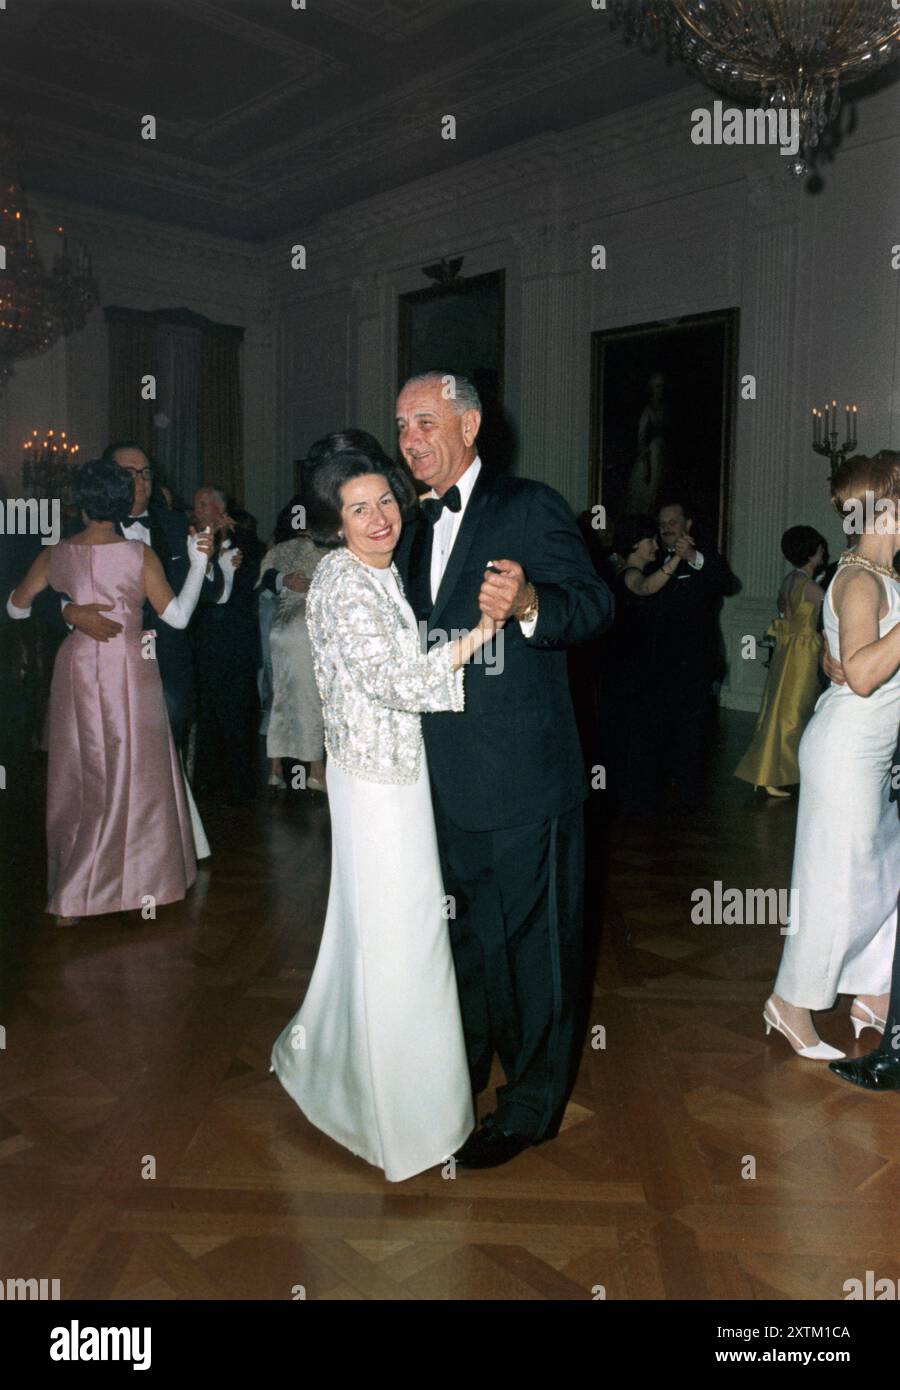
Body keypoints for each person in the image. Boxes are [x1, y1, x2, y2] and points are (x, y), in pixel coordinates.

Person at [394, 371, 614, 1169]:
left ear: (471, 423)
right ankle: (460, 1083)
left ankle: (530, 1107)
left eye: (426, 422)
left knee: (537, 947)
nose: (411, 439)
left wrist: (528, 606)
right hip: (442, 777)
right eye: (403, 426)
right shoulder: (411, 528)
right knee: (469, 942)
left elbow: (594, 605)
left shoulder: (528, 506)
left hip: (526, 775)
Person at [270, 445, 499, 1182]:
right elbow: (392, 678)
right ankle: (406, 1122)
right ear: (336, 523)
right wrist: (479, 637)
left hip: (393, 774)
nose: (380, 519)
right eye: (360, 508)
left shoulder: (380, 572)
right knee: (402, 939)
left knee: (383, 934)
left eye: (387, 503)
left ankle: (343, 1073)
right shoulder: (341, 579)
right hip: (373, 786)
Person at [5, 458, 214, 924]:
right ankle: (142, 884)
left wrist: (66, 609)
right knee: (135, 772)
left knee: (81, 774)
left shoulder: (56, 552)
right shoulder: (139, 556)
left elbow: (16, 609)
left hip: (77, 666)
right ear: (122, 501)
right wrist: (199, 565)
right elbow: (177, 618)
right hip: (131, 664)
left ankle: (73, 897)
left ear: (80, 503)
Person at [765, 453, 900, 1059]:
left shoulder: (870, 576)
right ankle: (791, 1003)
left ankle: (871, 991)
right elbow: (868, 675)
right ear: (890, 509)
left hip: (871, 751)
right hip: (847, 752)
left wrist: (829, 653)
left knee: (884, 875)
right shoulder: (862, 579)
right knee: (837, 885)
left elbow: (844, 653)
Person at [58, 442, 224, 753]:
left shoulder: (176, 523)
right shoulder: (82, 529)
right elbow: (42, 592)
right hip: (107, 659)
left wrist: (208, 563)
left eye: (146, 472)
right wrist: (69, 611)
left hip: (167, 661)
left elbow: (212, 592)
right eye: (129, 473)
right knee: (108, 750)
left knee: (166, 752)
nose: (141, 481)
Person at [651, 499, 736, 808]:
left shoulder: (707, 558)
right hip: (658, 658)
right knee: (661, 723)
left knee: (695, 726)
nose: (666, 528)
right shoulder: (651, 556)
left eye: (673, 521)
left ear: (688, 524)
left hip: (697, 659)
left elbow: (728, 585)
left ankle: (691, 789)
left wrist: (694, 558)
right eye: (662, 523)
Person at [734, 526, 826, 797]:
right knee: (794, 714)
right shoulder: (810, 587)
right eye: (820, 548)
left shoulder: (790, 579)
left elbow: (785, 610)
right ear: (811, 553)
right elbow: (832, 614)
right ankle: (778, 774)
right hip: (804, 652)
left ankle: (768, 772)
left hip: (788, 649)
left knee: (780, 708)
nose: (824, 552)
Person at [191, 485, 263, 806]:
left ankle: (242, 784)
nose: (199, 510)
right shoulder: (192, 541)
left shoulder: (247, 542)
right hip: (203, 641)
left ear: (222, 508)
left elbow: (247, 589)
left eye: (205, 504)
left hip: (236, 642)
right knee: (208, 713)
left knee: (238, 712)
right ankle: (207, 781)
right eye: (197, 505)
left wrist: (222, 557)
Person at [607, 513, 682, 811]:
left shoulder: (629, 571)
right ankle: (634, 798)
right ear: (636, 544)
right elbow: (646, 588)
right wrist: (675, 560)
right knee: (634, 735)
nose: (655, 545)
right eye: (650, 540)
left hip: (639, 670)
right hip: (630, 673)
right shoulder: (629, 575)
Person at [257, 496, 326, 791]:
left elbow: (261, 583)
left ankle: (275, 769)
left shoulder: (278, 550)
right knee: (311, 697)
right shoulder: (326, 551)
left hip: (278, 629)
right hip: (307, 629)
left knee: (280, 694)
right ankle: (315, 770)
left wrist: (283, 581)